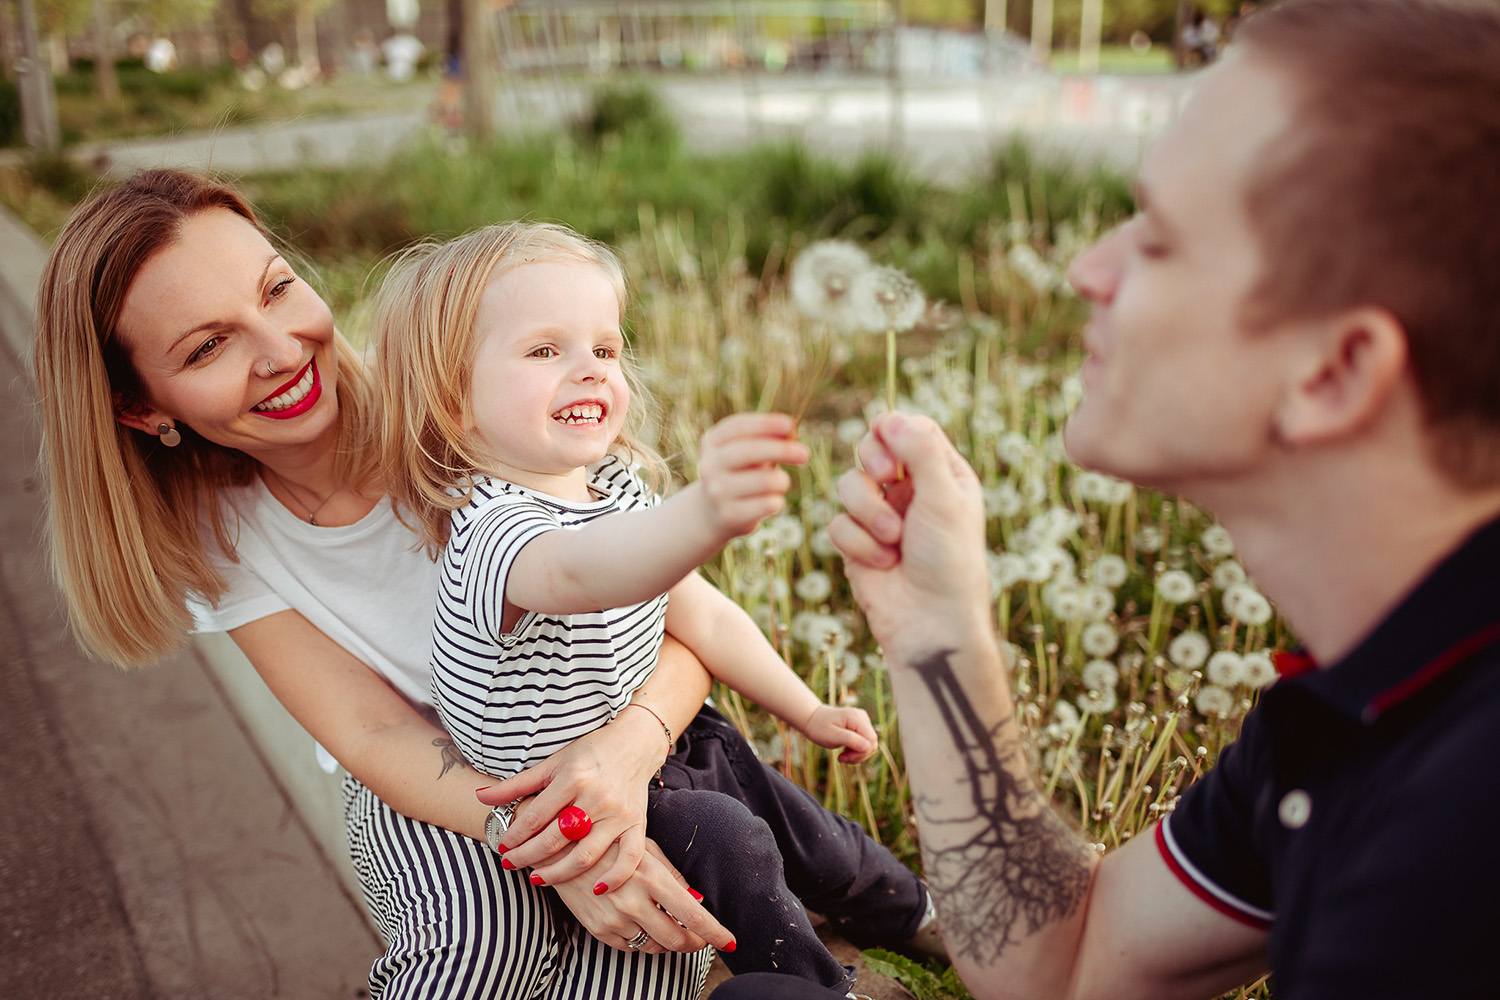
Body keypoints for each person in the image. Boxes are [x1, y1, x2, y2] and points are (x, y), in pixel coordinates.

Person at [782, 1, 1500, 998]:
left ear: (1335, 371)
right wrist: (938, 633)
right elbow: (1066, 966)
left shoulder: (1456, 856)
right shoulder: (1361, 708)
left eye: (1158, 237)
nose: (1088, 268)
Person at [32, 168, 736, 1000]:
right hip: (423, 781)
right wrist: (559, 841)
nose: (281, 350)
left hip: (604, 730)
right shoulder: (216, 541)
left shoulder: (470, 409)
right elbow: (369, 733)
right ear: (141, 409)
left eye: (278, 289)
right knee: (479, 944)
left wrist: (621, 760)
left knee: (642, 960)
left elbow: (689, 626)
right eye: (208, 346)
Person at [372, 222, 938, 994]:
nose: (590, 371)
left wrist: (807, 710)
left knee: (805, 826)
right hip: (576, 793)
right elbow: (582, 575)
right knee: (735, 842)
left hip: (661, 743)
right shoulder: (491, 527)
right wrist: (704, 513)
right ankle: (815, 985)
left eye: (604, 349)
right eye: (545, 351)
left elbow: (702, 616)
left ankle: (911, 913)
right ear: (454, 401)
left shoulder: (618, 492)